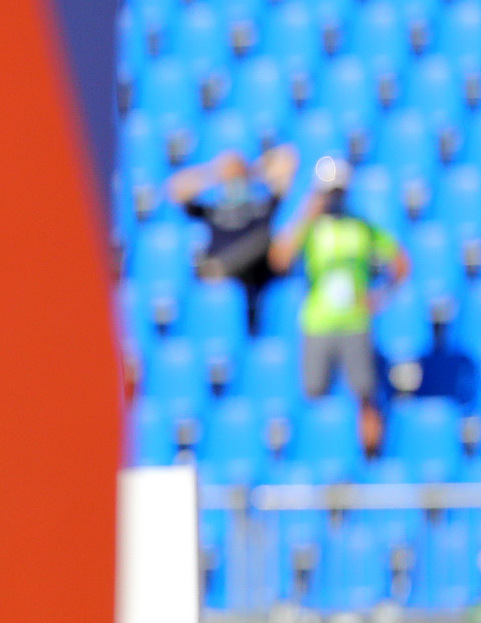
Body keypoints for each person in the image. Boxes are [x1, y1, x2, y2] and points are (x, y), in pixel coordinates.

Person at [270, 156, 410, 455]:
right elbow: (280, 259)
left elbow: (400, 263)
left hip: (355, 322)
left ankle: (370, 460)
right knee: (315, 396)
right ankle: (321, 457)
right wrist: (306, 214)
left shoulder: (362, 228)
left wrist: (380, 296)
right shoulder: (309, 228)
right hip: (318, 323)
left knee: (364, 394)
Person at [169, 142, 298, 326]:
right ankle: (223, 267)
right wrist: (215, 172)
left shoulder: (260, 207)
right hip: (221, 280)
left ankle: (224, 267)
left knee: (266, 239)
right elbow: (175, 189)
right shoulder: (213, 210)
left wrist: (249, 170)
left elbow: (288, 160)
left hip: (254, 276)